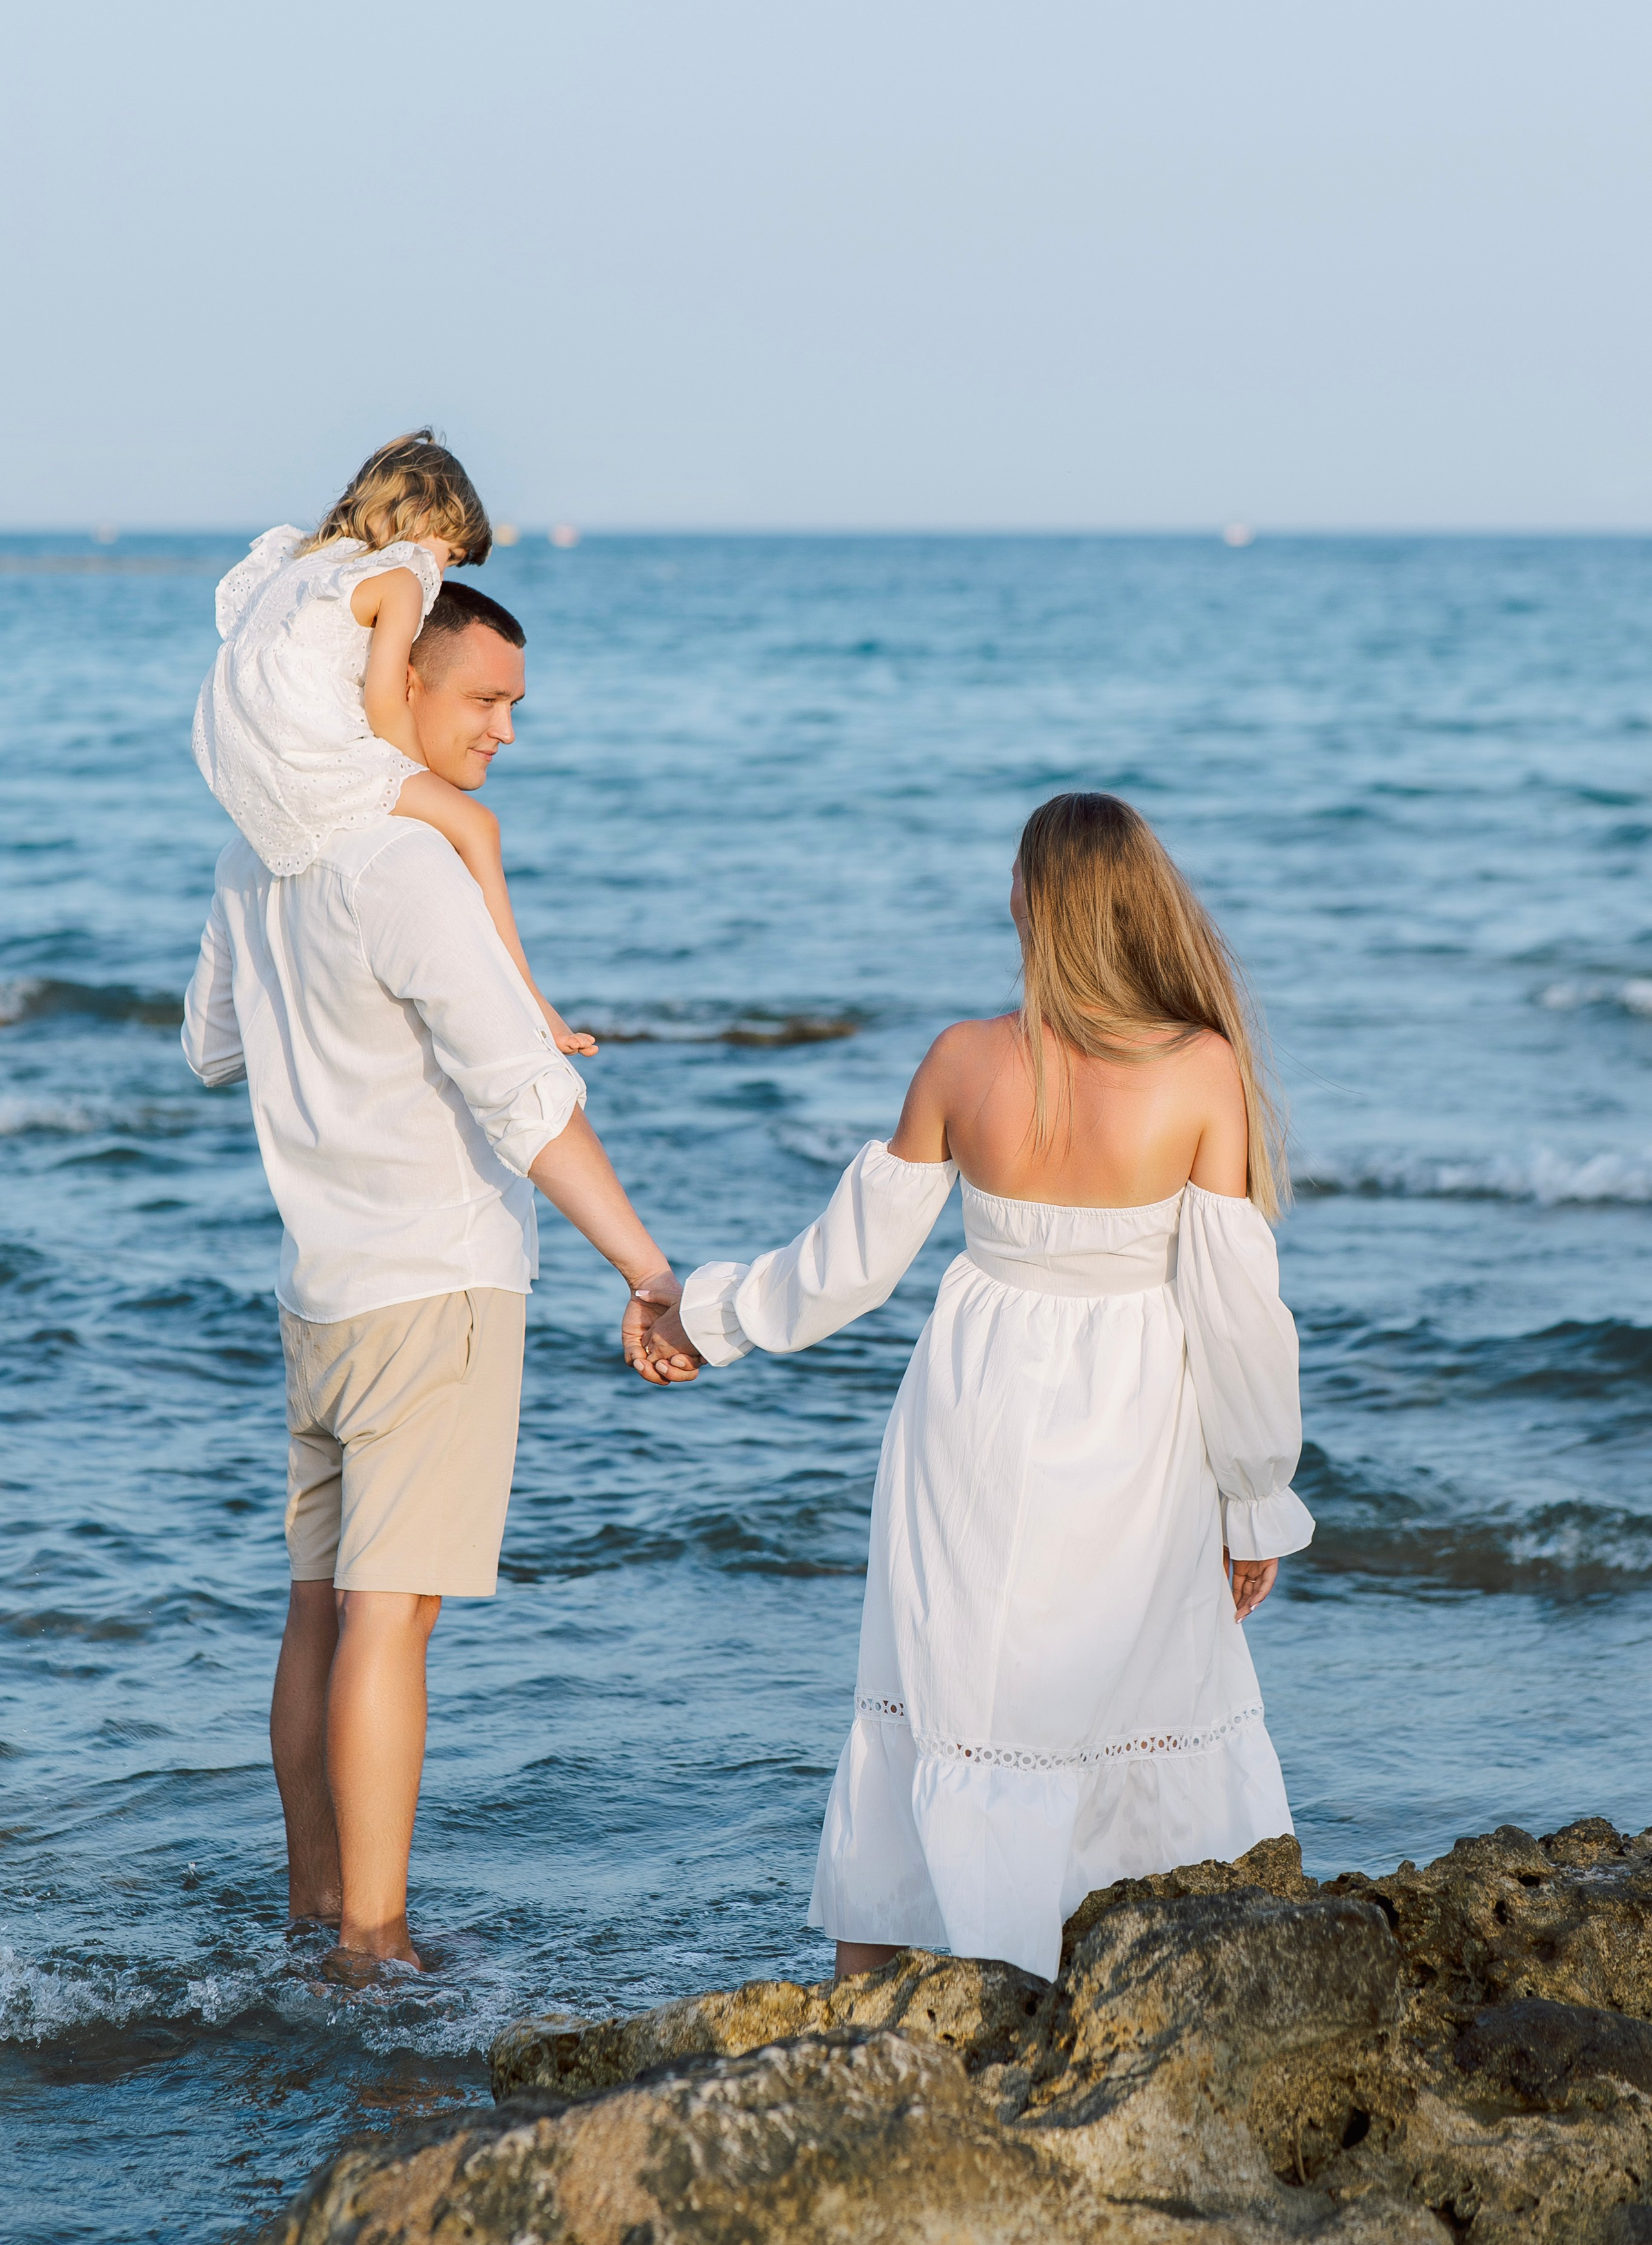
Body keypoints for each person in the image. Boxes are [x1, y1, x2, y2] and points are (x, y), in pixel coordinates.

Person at [636, 792, 1314, 1985]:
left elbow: (841, 1268)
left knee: (940, 1679)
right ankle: (1133, 1977)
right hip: (1136, 1426)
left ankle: (870, 1996)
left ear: (1028, 904)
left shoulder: (964, 1059)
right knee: (1132, 1680)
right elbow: (1242, 1321)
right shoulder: (1203, 1070)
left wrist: (705, 1317)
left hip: (975, 1409)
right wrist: (1254, 1503)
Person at [183, 582, 679, 1977]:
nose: (504, 729)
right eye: (480, 698)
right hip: (436, 1285)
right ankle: (375, 1945)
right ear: (392, 681)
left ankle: (313, 1910)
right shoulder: (405, 870)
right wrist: (646, 1271)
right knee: (389, 1623)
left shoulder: (256, 852)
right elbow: (526, 1102)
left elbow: (212, 1050)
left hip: (320, 1293)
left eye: (515, 704)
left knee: (319, 1605)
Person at [192, 428, 594, 1056]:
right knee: (477, 827)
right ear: (419, 521)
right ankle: (532, 1002)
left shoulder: (301, 567)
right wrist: (419, 781)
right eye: (450, 555)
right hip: (317, 757)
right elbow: (384, 700)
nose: (440, 575)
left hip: (249, 760)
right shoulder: (401, 578)